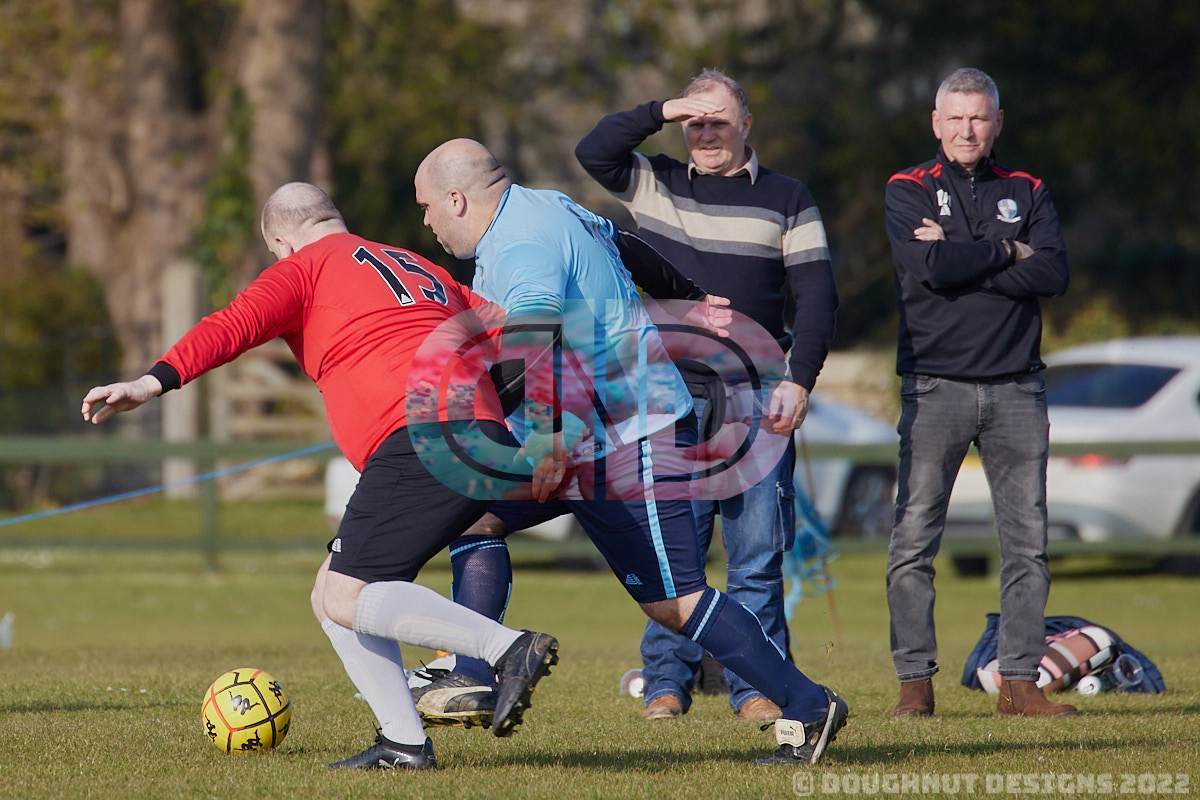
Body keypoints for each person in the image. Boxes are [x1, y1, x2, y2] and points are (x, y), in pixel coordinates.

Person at [79, 182, 561, 770]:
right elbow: (514, 336)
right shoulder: (418, 267)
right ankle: (404, 743)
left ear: (282, 242)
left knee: (345, 595)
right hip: (477, 437)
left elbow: (232, 325)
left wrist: (150, 382)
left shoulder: (304, 267)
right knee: (330, 591)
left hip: (419, 435)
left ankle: (507, 649)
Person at [410, 138, 848, 766]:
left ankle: (809, 705)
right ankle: (473, 672)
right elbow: (625, 243)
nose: (427, 221)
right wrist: (690, 294)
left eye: (427, 206)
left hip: (630, 436)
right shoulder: (549, 205)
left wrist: (542, 436)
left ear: (456, 199)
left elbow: (534, 336)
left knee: (676, 602)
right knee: (476, 516)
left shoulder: (517, 244)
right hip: (586, 434)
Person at [574, 68, 838, 721]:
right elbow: (594, 151)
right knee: (673, 558)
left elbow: (817, 296)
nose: (706, 132)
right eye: (694, 122)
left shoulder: (788, 197)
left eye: (718, 120)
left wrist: (800, 380)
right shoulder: (654, 180)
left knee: (757, 557)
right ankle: (666, 683)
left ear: (746, 123)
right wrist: (663, 108)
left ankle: (758, 691)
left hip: (756, 398)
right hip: (666, 400)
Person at [883, 68, 1072, 718]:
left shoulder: (1029, 188)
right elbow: (928, 268)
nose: (967, 130)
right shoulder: (907, 187)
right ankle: (915, 683)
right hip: (935, 385)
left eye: (979, 117)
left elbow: (1053, 273)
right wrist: (1010, 252)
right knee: (913, 541)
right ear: (937, 123)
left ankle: (1019, 682)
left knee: (1027, 543)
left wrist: (968, 254)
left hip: (1018, 385)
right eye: (956, 118)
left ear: (997, 123)